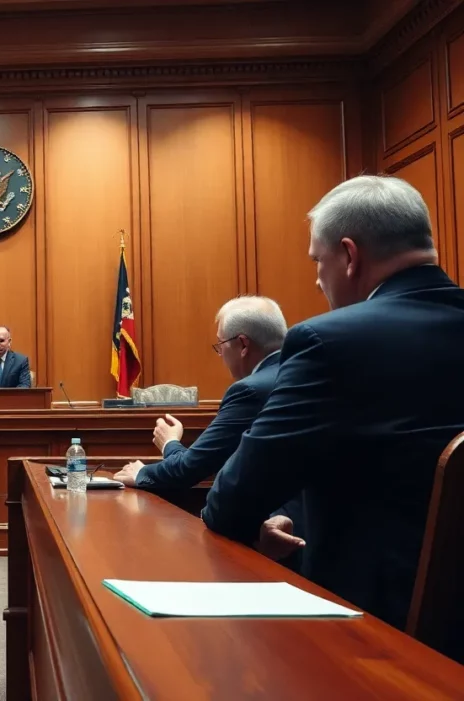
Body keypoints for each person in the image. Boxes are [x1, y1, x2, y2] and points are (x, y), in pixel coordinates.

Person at [202, 175, 464, 638]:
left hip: (376, 632)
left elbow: (231, 502)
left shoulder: (330, 341)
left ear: (348, 255)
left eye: (318, 260)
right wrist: (294, 515)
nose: (316, 277)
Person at [112, 296, 286, 490]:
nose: (220, 353)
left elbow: (190, 469)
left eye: (221, 344)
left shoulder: (249, 391)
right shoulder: (301, 375)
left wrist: (144, 470)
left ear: (243, 345)